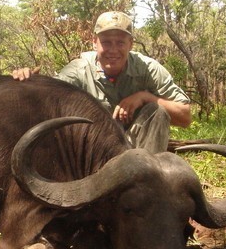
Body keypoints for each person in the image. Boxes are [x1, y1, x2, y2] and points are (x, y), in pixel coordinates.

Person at [12, 11, 191, 153]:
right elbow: (48, 99)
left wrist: (144, 97)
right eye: (106, 42)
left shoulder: (148, 68)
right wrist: (27, 82)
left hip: (140, 152)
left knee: (157, 111)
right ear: (94, 42)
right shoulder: (78, 70)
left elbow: (185, 116)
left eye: (120, 42)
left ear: (131, 44)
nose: (113, 50)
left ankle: (147, 183)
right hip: (95, 149)